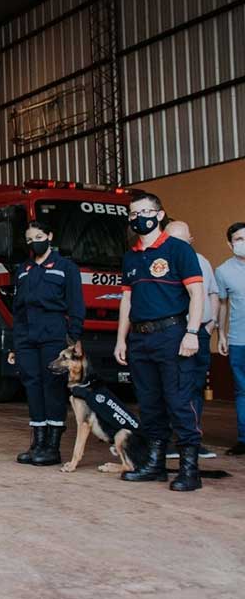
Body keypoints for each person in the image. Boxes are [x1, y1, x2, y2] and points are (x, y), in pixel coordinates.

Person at [114, 193, 205, 491]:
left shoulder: (179, 250)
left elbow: (197, 294)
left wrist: (191, 333)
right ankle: (155, 465)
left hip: (173, 336)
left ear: (160, 214)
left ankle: (190, 470)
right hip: (140, 339)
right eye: (132, 213)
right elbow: (127, 300)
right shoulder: (131, 256)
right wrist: (121, 339)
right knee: (149, 403)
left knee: (179, 401)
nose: (138, 217)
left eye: (144, 211)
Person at [11, 220, 85, 466]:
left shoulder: (66, 268)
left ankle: (52, 447)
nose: (35, 242)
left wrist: (73, 339)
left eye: (39, 236)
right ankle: (38, 443)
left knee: (52, 386)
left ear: (50, 235)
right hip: (27, 336)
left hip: (54, 335)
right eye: (30, 239)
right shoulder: (24, 269)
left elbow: (76, 306)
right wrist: (16, 341)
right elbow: (17, 309)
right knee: (32, 385)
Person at [165, 221, 219, 459]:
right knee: (172, 386)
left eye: (182, 240)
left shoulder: (202, 262)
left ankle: (192, 440)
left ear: (191, 240)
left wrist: (211, 324)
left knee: (195, 386)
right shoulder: (160, 262)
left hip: (200, 334)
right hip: (174, 333)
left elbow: (212, 294)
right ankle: (168, 440)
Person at [216, 222, 245, 456]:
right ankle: (244, 439)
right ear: (230, 244)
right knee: (242, 391)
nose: (244, 243)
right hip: (239, 340)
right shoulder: (223, 271)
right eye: (239, 240)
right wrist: (222, 334)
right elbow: (223, 305)